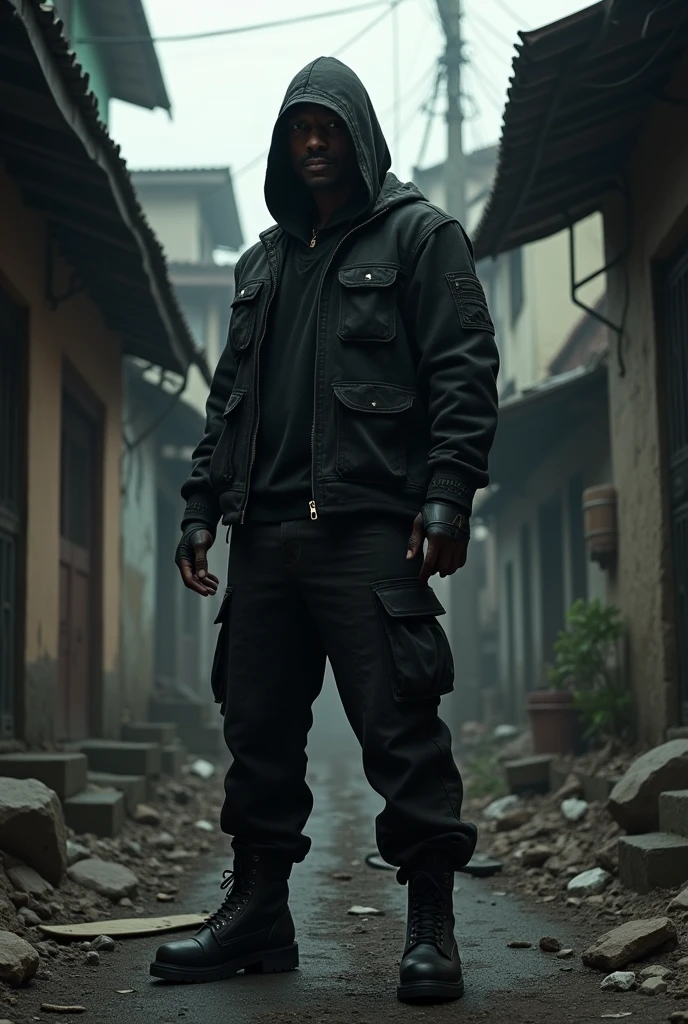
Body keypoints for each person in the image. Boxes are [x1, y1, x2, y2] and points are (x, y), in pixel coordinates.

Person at [150, 56, 499, 1004]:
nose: (313, 142)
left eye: (329, 126)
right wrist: (198, 506)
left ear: (359, 134)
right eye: (298, 127)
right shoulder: (260, 263)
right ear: (282, 142)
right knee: (257, 732)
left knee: (401, 733)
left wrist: (448, 497)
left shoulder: (423, 238)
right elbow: (229, 400)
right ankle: (260, 915)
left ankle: (431, 927)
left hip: (368, 534)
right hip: (263, 537)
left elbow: (464, 369)